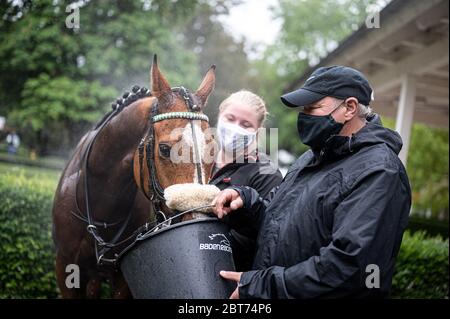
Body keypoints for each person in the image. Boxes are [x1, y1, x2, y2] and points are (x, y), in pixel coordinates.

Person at [212, 66, 412, 298]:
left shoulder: (380, 171)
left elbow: (349, 269)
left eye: (313, 107)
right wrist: (245, 202)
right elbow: (276, 223)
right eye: (304, 108)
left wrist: (262, 286)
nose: (304, 115)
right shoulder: (311, 158)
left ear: (349, 108)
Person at [210, 90, 283, 271]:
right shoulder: (199, 160)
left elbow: (270, 234)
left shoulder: (266, 173)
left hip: (233, 272)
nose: (236, 128)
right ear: (219, 116)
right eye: (230, 118)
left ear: (257, 131)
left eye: (245, 124)